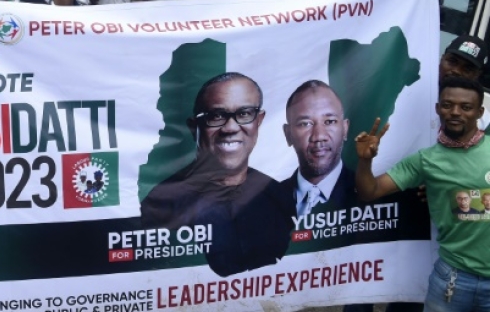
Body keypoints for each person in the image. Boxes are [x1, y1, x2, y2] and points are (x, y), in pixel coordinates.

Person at [140, 72, 295, 277]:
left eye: (245, 113)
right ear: (194, 127)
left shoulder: (278, 195)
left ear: (259, 120)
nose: (230, 128)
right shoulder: (163, 203)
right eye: (216, 116)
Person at [356, 77, 490, 312]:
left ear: (479, 112)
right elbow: (370, 191)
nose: (455, 112)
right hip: (453, 280)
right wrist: (365, 161)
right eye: (447, 105)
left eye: (466, 107)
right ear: (438, 108)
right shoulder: (425, 160)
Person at [280, 81, 354, 216]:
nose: (319, 136)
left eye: (330, 121)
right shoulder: (265, 204)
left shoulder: (373, 196)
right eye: (305, 124)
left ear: (345, 129)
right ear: (288, 134)